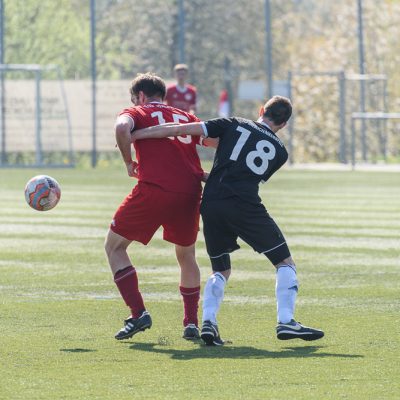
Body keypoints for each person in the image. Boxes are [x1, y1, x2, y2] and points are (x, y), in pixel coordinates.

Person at [132, 96, 324, 346]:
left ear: (261, 110)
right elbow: (242, 174)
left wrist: (138, 134)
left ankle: (209, 323)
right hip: (244, 204)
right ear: (284, 124)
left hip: (211, 202)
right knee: (285, 262)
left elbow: (178, 129)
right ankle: (286, 320)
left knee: (220, 268)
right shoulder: (280, 152)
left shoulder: (233, 123)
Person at [105, 72, 211, 341]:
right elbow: (215, 140)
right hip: (189, 192)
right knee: (187, 256)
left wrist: (129, 163)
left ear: (140, 95)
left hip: (155, 189)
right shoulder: (185, 116)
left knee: (114, 247)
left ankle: (138, 312)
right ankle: (190, 323)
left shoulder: (136, 110)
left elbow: (121, 129)